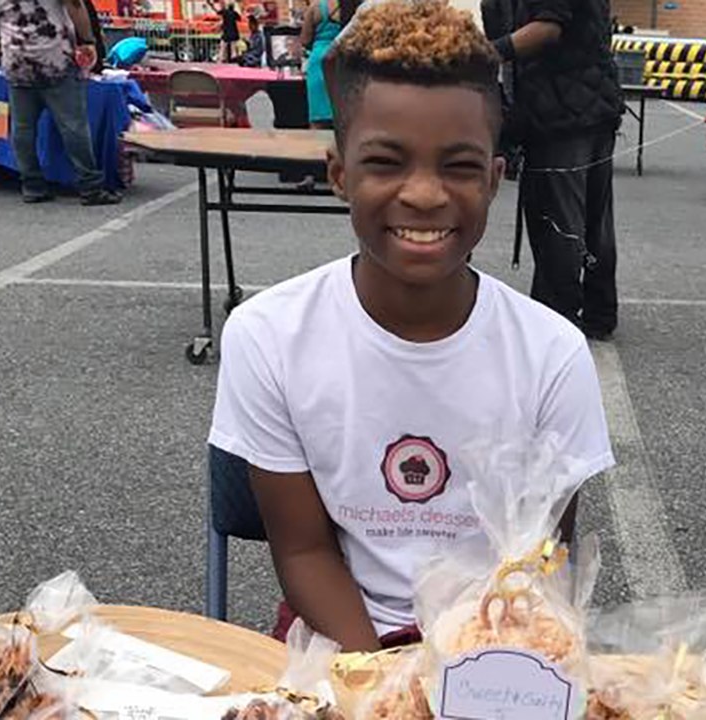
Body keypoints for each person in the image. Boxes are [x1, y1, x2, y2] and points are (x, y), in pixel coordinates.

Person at [209, 0, 614, 651]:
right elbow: (306, 550)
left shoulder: (552, 355)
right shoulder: (268, 337)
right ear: (339, 174)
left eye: (458, 166)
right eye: (386, 162)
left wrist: (462, 675)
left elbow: (544, 567)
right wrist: (385, 689)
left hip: (496, 640)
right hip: (345, 639)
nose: (424, 194)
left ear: (494, 178)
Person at [491, 0, 624, 340]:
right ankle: (599, 311)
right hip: (593, 106)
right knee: (595, 219)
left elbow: (548, 28)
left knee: (560, 222)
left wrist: (490, 52)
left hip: (562, 113)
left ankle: (556, 317)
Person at [0, 0, 121, 205]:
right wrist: (88, 41)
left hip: (17, 59)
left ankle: (32, 185)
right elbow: (75, 5)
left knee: (23, 128)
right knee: (73, 126)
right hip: (55, 56)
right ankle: (90, 187)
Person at [299, 0, 350, 128]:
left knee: (318, 119)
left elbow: (305, 40)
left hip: (319, 62)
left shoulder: (315, 7)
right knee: (346, 118)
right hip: (345, 59)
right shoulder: (354, 6)